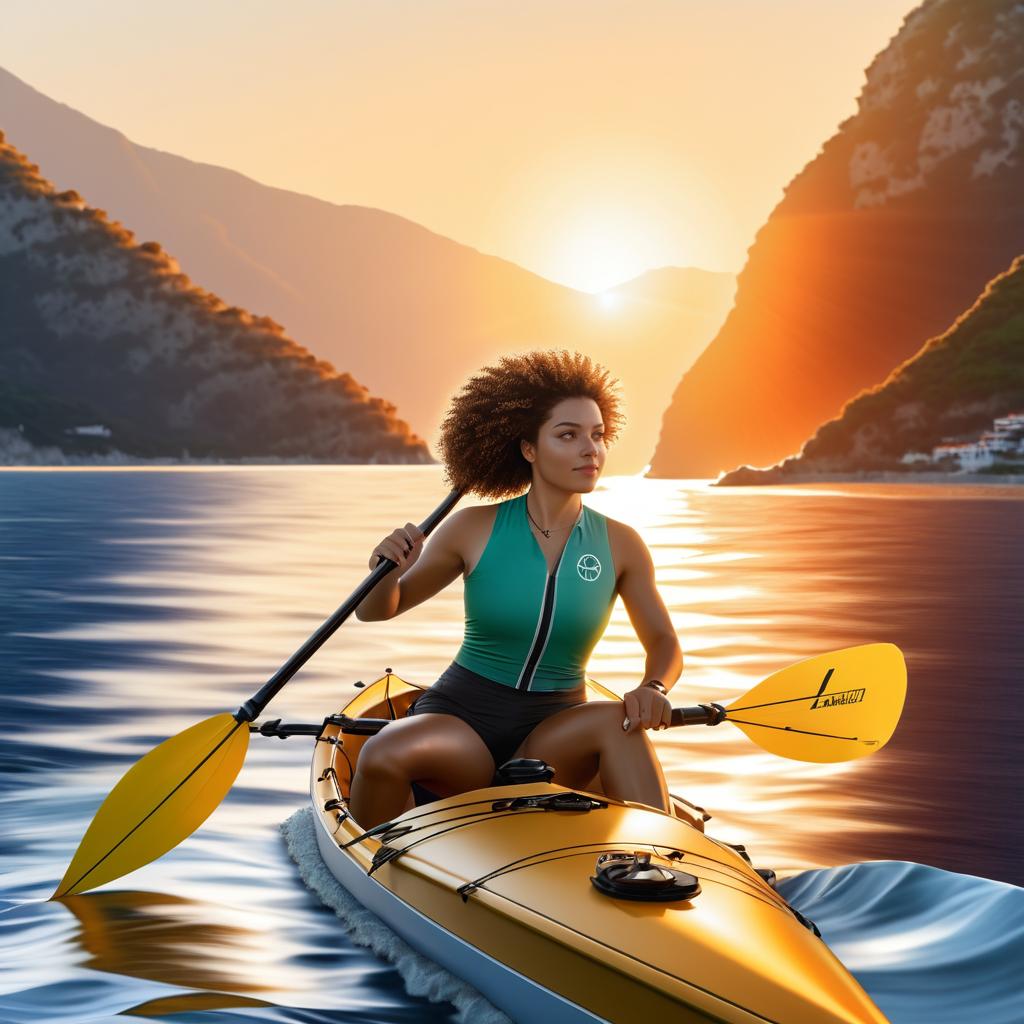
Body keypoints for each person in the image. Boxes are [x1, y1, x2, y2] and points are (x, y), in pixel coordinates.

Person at [351, 349, 683, 829]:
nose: (590, 450)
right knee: (382, 752)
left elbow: (664, 642)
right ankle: (373, 854)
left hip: (554, 735)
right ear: (529, 449)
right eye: (568, 435)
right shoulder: (472, 528)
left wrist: (653, 687)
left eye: (598, 436)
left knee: (621, 723)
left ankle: (665, 863)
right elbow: (380, 610)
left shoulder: (622, 544)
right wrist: (385, 571)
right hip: (462, 724)